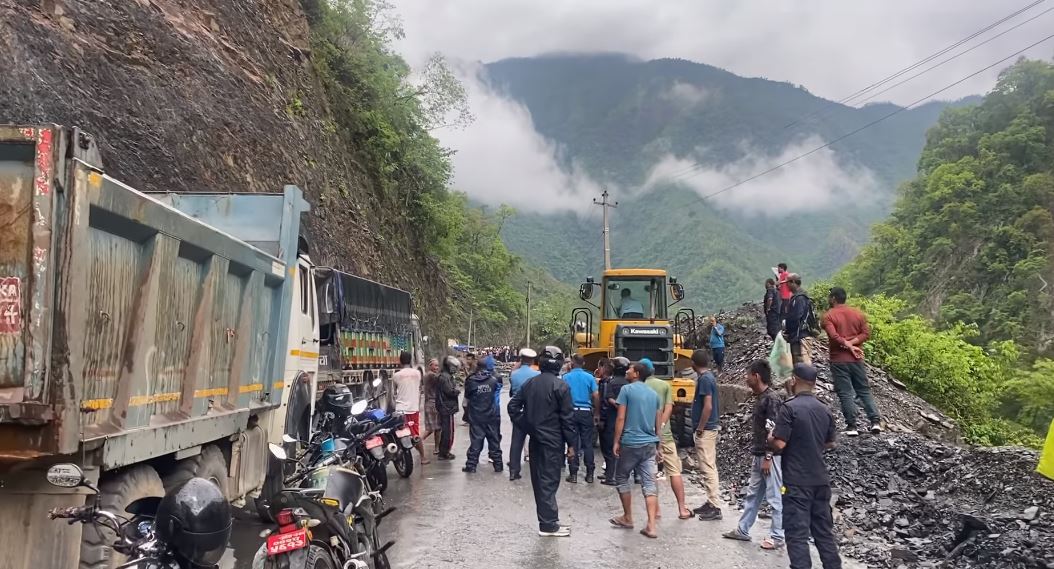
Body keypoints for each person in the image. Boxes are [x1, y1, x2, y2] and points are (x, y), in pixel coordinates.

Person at [769, 363, 843, 569]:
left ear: (793, 380)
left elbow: (780, 443)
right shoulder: (825, 410)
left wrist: (770, 438)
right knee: (824, 534)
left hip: (796, 482)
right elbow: (830, 442)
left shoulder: (789, 408)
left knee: (797, 534)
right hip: (820, 481)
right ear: (814, 383)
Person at [508, 346, 577, 537]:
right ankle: (548, 525)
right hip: (553, 441)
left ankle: (548, 521)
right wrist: (572, 444)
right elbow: (568, 419)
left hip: (536, 440)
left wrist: (529, 426)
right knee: (549, 481)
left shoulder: (531, 383)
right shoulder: (561, 386)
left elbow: (513, 407)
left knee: (540, 481)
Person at [723, 360, 784, 549]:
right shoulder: (761, 397)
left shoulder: (771, 399)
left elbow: (773, 431)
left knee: (775, 496)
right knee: (753, 494)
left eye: (748, 374)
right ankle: (743, 529)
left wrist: (768, 456)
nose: (745, 378)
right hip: (759, 454)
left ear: (756, 376)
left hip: (770, 456)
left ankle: (777, 536)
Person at [609, 362, 663, 538]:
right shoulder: (654, 395)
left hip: (631, 442)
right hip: (649, 444)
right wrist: (658, 445)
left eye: (630, 369)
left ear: (637, 373)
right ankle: (651, 526)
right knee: (649, 483)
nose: (627, 370)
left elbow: (621, 417)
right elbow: (658, 423)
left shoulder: (627, 390)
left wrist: (616, 441)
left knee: (621, 477)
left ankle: (628, 517)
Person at [822, 287, 882, 436]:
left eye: (830, 296)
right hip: (856, 359)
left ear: (834, 298)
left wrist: (847, 345)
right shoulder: (858, 313)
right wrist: (853, 344)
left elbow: (834, 336)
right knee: (863, 390)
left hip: (838, 360)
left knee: (846, 392)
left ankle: (852, 426)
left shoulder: (828, 316)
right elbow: (866, 333)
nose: (829, 299)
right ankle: (875, 421)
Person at [644, 361, 693, 520]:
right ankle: (682, 509)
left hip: (646, 436)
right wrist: (662, 426)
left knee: (651, 473)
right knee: (674, 471)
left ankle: (656, 510)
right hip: (665, 436)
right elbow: (669, 408)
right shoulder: (664, 385)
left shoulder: (638, 387)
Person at [690, 349, 722, 520]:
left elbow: (707, 406)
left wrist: (700, 428)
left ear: (693, 363)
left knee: (707, 467)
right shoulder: (708, 378)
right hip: (709, 428)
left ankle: (715, 506)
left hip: (707, 429)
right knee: (708, 465)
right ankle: (710, 502)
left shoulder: (705, 380)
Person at [562, 354, 599, 483]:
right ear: (583, 364)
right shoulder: (590, 377)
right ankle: (589, 474)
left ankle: (573, 474)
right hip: (586, 412)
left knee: (572, 444)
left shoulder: (565, 377)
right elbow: (595, 395)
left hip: (571, 413)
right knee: (587, 443)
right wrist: (596, 414)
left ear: (572, 363)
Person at [463, 360, 503, 473]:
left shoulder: (471, 381)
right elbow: (495, 395)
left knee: (476, 441)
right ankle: (498, 465)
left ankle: (471, 466)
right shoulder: (493, 380)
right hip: (491, 415)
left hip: (476, 416)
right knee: (494, 441)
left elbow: (467, 399)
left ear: (477, 367)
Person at [507, 348, 540, 481]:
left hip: (518, 411)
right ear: (532, 360)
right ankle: (536, 468)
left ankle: (514, 471)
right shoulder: (537, 374)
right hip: (533, 412)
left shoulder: (513, 374)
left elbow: (511, 392)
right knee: (536, 440)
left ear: (520, 359)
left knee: (516, 441)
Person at [392, 351, 430, 465]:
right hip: (413, 409)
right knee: (415, 434)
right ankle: (423, 457)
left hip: (400, 409)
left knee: (399, 433)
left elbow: (394, 391)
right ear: (411, 360)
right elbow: (420, 387)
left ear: (400, 361)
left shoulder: (396, 375)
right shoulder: (417, 373)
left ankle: (399, 456)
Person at [599, 357, 630, 485]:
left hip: (611, 419)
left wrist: (601, 418)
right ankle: (617, 474)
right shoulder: (629, 384)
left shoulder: (610, 383)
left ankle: (611, 476)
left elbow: (605, 400)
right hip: (626, 420)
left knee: (608, 448)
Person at [783, 273, 817, 365]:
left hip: (800, 337)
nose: (786, 285)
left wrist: (787, 331)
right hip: (798, 336)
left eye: (788, 282)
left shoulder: (800, 298)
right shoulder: (799, 297)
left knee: (801, 364)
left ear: (793, 282)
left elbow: (796, 317)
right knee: (799, 364)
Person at [435, 356, 462, 460]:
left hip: (445, 407)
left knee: (447, 430)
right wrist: (457, 390)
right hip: (446, 407)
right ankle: (444, 452)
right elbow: (450, 391)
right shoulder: (445, 377)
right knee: (448, 431)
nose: (455, 369)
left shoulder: (445, 376)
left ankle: (444, 451)